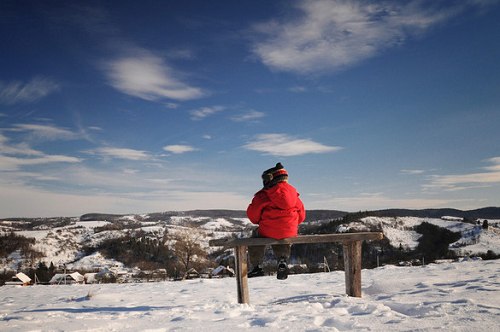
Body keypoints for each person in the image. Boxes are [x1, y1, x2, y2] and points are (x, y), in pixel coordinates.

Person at [246, 162, 306, 279]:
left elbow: (253, 218)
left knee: (256, 235)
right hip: (289, 232)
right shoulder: (295, 196)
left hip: (267, 231)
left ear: (268, 179)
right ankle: (282, 260)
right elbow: (302, 216)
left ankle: (256, 266)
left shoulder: (263, 196)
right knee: (282, 235)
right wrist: (289, 225)